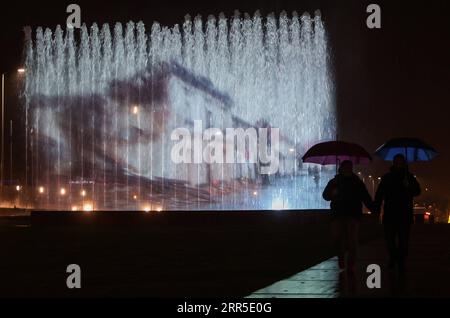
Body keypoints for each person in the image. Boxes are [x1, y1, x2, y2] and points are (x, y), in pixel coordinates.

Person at [323, 160, 373, 274]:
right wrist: (332, 193)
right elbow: (325, 196)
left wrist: (373, 208)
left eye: (349, 167)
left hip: (352, 215)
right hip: (338, 215)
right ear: (341, 168)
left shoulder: (356, 182)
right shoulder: (334, 182)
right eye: (345, 167)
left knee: (352, 241)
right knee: (336, 238)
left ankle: (350, 263)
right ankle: (341, 257)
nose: (347, 169)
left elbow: (365, 197)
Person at [373, 154, 421, 273]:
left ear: (404, 164)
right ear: (393, 163)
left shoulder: (409, 177)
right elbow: (379, 195)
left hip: (404, 214)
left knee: (404, 241)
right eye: (397, 162)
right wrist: (376, 209)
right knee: (390, 240)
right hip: (390, 213)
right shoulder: (387, 178)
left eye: (401, 162)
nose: (399, 164)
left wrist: (408, 186)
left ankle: (401, 261)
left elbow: (417, 191)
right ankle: (394, 257)